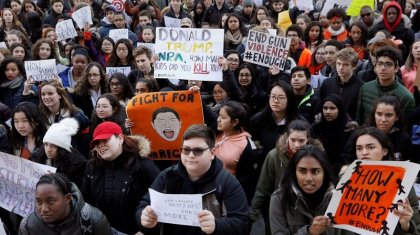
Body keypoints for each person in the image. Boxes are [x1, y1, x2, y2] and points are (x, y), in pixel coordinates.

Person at [137, 124, 250, 234]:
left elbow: (243, 223)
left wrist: (216, 225)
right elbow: (144, 205)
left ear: (212, 153)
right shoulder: (167, 176)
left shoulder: (226, 182)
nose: (190, 155)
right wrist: (144, 217)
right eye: (186, 150)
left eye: (198, 150)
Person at [82, 121, 160, 234]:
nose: (101, 145)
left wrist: (145, 231)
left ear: (120, 138)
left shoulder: (143, 166)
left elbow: (158, 200)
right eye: (97, 143)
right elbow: (86, 201)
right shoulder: (92, 167)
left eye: (105, 140)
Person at [250, 120, 321, 235]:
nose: (296, 145)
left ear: (308, 139)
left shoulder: (317, 157)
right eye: (293, 140)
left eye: (301, 141)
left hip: (308, 208)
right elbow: (263, 185)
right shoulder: (274, 156)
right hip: (281, 206)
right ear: (287, 137)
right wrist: (254, 212)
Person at [348, 127, 420, 234]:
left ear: (385, 151)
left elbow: (416, 228)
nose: (364, 152)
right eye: (359, 148)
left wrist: (406, 225)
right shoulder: (347, 180)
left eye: (370, 147)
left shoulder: (404, 182)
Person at [269, 145, 342, 235]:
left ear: (324, 173)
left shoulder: (340, 199)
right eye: (302, 171)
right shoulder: (279, 199)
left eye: (315, 171)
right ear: (294, 172)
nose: (308, 178)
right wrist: (309, 232)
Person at [19, 173, 113, 235]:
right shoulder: (28, 226)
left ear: (67, 198)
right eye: (39, 202)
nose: (43, 209)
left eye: (50, 201)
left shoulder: (94, 220)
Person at [356, 46, 415, 124]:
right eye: (380, 64)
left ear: (396, 68)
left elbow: (406, 128)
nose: (383, 68)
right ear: (375, 67)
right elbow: (359, 119)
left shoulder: (406, 97)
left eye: (388, 64)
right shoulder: (365, 88)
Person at [31, 118, 86, 187]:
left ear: (62, 148)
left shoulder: (76, 165)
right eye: (46, 144)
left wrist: (58, 179)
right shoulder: (37, 157)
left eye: (53, 146)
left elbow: (76, 189)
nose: (48, 149)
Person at [312, 94, 356, 174]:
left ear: (340, 109)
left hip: (342, 171)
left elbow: (348, 156)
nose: (328, 112)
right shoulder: (317, 127)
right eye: (325, 108)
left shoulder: (349, 130)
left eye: (332, 108)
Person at [319, 47, 364, 120]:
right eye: (338, 64)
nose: (341, 67)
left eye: (345, 65)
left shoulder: (361, 87)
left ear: (354, 66)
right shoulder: (327, 83)